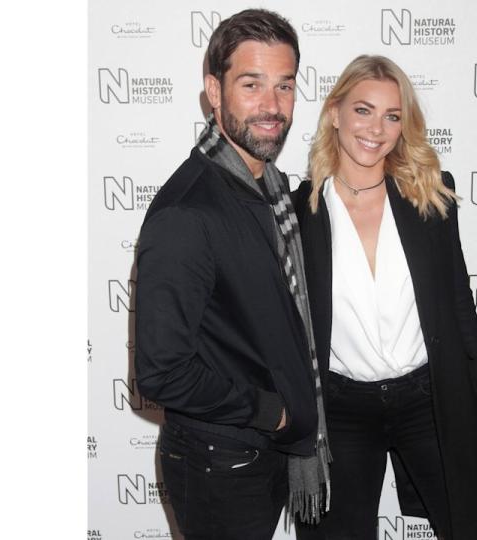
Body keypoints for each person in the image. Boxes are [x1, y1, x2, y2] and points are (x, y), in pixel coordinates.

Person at [133, 9, 330, 539]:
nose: (272, 106)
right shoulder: (188, 211)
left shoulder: (273, 194)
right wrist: (272, 411)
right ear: (214, 92)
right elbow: (160, 372)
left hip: (258, 452)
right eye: (252, 84)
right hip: (219, 462)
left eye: (284, 86)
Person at [293, 55, 477, 540]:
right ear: (335, 113)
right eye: (363, 111)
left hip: (427, 397)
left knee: (475, 527)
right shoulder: (300, 212)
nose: (377, 128)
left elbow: (457, 300)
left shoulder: (429, 195)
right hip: (341, 409)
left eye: (392, 116)